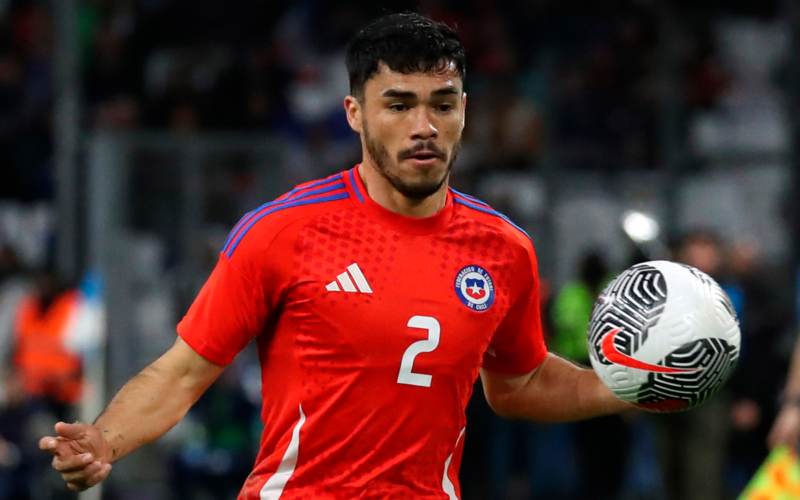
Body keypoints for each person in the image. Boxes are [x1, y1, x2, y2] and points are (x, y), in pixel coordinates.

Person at [39, 13, 630, 498]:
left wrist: (626, 387)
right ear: (355, 114)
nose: (423, 126)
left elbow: (519, 383)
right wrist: (105, 440)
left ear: (465, 111)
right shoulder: (283, 231)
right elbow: (184, 372)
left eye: (442, 104)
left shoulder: (504, 250)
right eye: (398, 105)